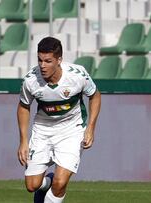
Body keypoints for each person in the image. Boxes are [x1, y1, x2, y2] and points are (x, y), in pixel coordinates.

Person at [17, 37, 101, 203]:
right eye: (40, 60)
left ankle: (53, 185)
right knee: (32, 185)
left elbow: (95, 96)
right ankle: (47, 181)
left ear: (59, 60)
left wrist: (90, 127)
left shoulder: (77, 75)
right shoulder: (30, 81)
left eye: (48, 61)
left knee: (60, 182)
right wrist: (23, 141)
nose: (42, 65)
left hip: (72, 130)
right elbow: (23, 107)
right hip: (42, 130)